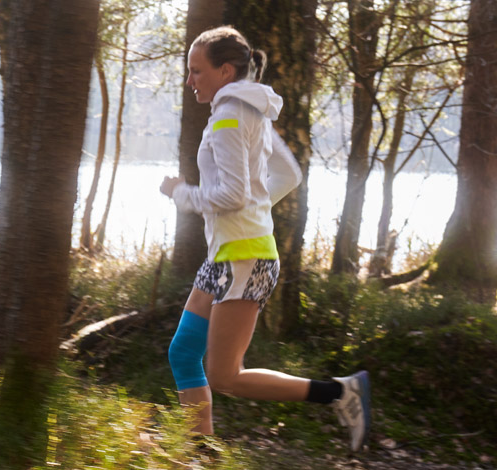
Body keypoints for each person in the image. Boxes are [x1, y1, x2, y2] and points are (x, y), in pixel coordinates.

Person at [158, 25, 373, 452]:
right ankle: (199, 456)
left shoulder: (229, 114)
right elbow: (287, 176)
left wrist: (180, 193)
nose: (190, 81)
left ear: (224, 71)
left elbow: (233, 194)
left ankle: (341, 393)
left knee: (225, 376)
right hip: (229, 254)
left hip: (244, 259)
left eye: (196, 71)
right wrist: (254, 211)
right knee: (183, 353)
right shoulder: (250, 109)